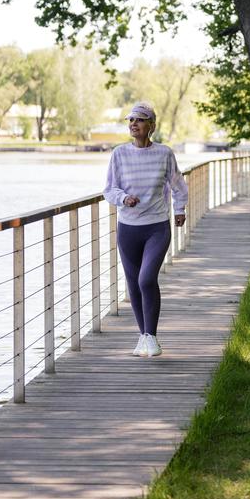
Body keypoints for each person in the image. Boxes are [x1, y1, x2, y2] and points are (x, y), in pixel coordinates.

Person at [103, 101, 188, 357]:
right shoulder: (119, 154)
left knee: (146, 279)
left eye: (139, 120)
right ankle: (144, 337)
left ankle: (151, 336)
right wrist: (123, 198)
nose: (133, 124)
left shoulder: (164, 153)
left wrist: (180, 209)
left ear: (151, 125)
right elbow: (109, 189)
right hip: (128, 228)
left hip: (156, 227)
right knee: (132, 283)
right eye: (130, 120)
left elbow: (178, 184)